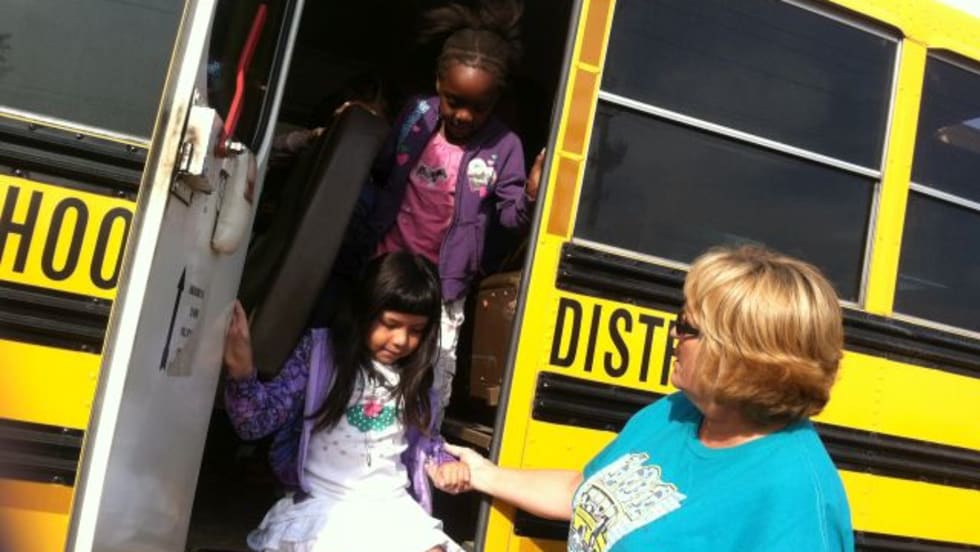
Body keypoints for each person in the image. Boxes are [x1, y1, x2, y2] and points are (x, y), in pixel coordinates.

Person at [436, 246, 854, 551]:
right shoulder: (677, 412)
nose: (673, 334)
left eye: (686, 326)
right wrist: (485, 475)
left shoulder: (797, 499)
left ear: (740, 354)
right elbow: (585, 490)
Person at [328, 0, 546, 426]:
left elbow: (510, 219)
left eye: (478, 107)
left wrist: (532, 195)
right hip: (385, 268)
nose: (463, 115)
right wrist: (363, 127)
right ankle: (345, 438)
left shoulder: (505, 146)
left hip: (444, 286)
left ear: (495, 101)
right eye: (454, 101)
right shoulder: (417, 116)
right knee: (359, 360)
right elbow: (381, 169)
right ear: (438, 84)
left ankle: (418, 445)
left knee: (432, 377)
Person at [223, 252, 470, 552]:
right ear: (363, 311)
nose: (401, 340)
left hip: (391, 506)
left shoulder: (414, 377)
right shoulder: (320, 354)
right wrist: (242, 373)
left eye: (416, 330)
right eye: (390, 323)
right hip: (325, 503)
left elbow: (425, 444)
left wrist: (445, 465)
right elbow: (254, 423)